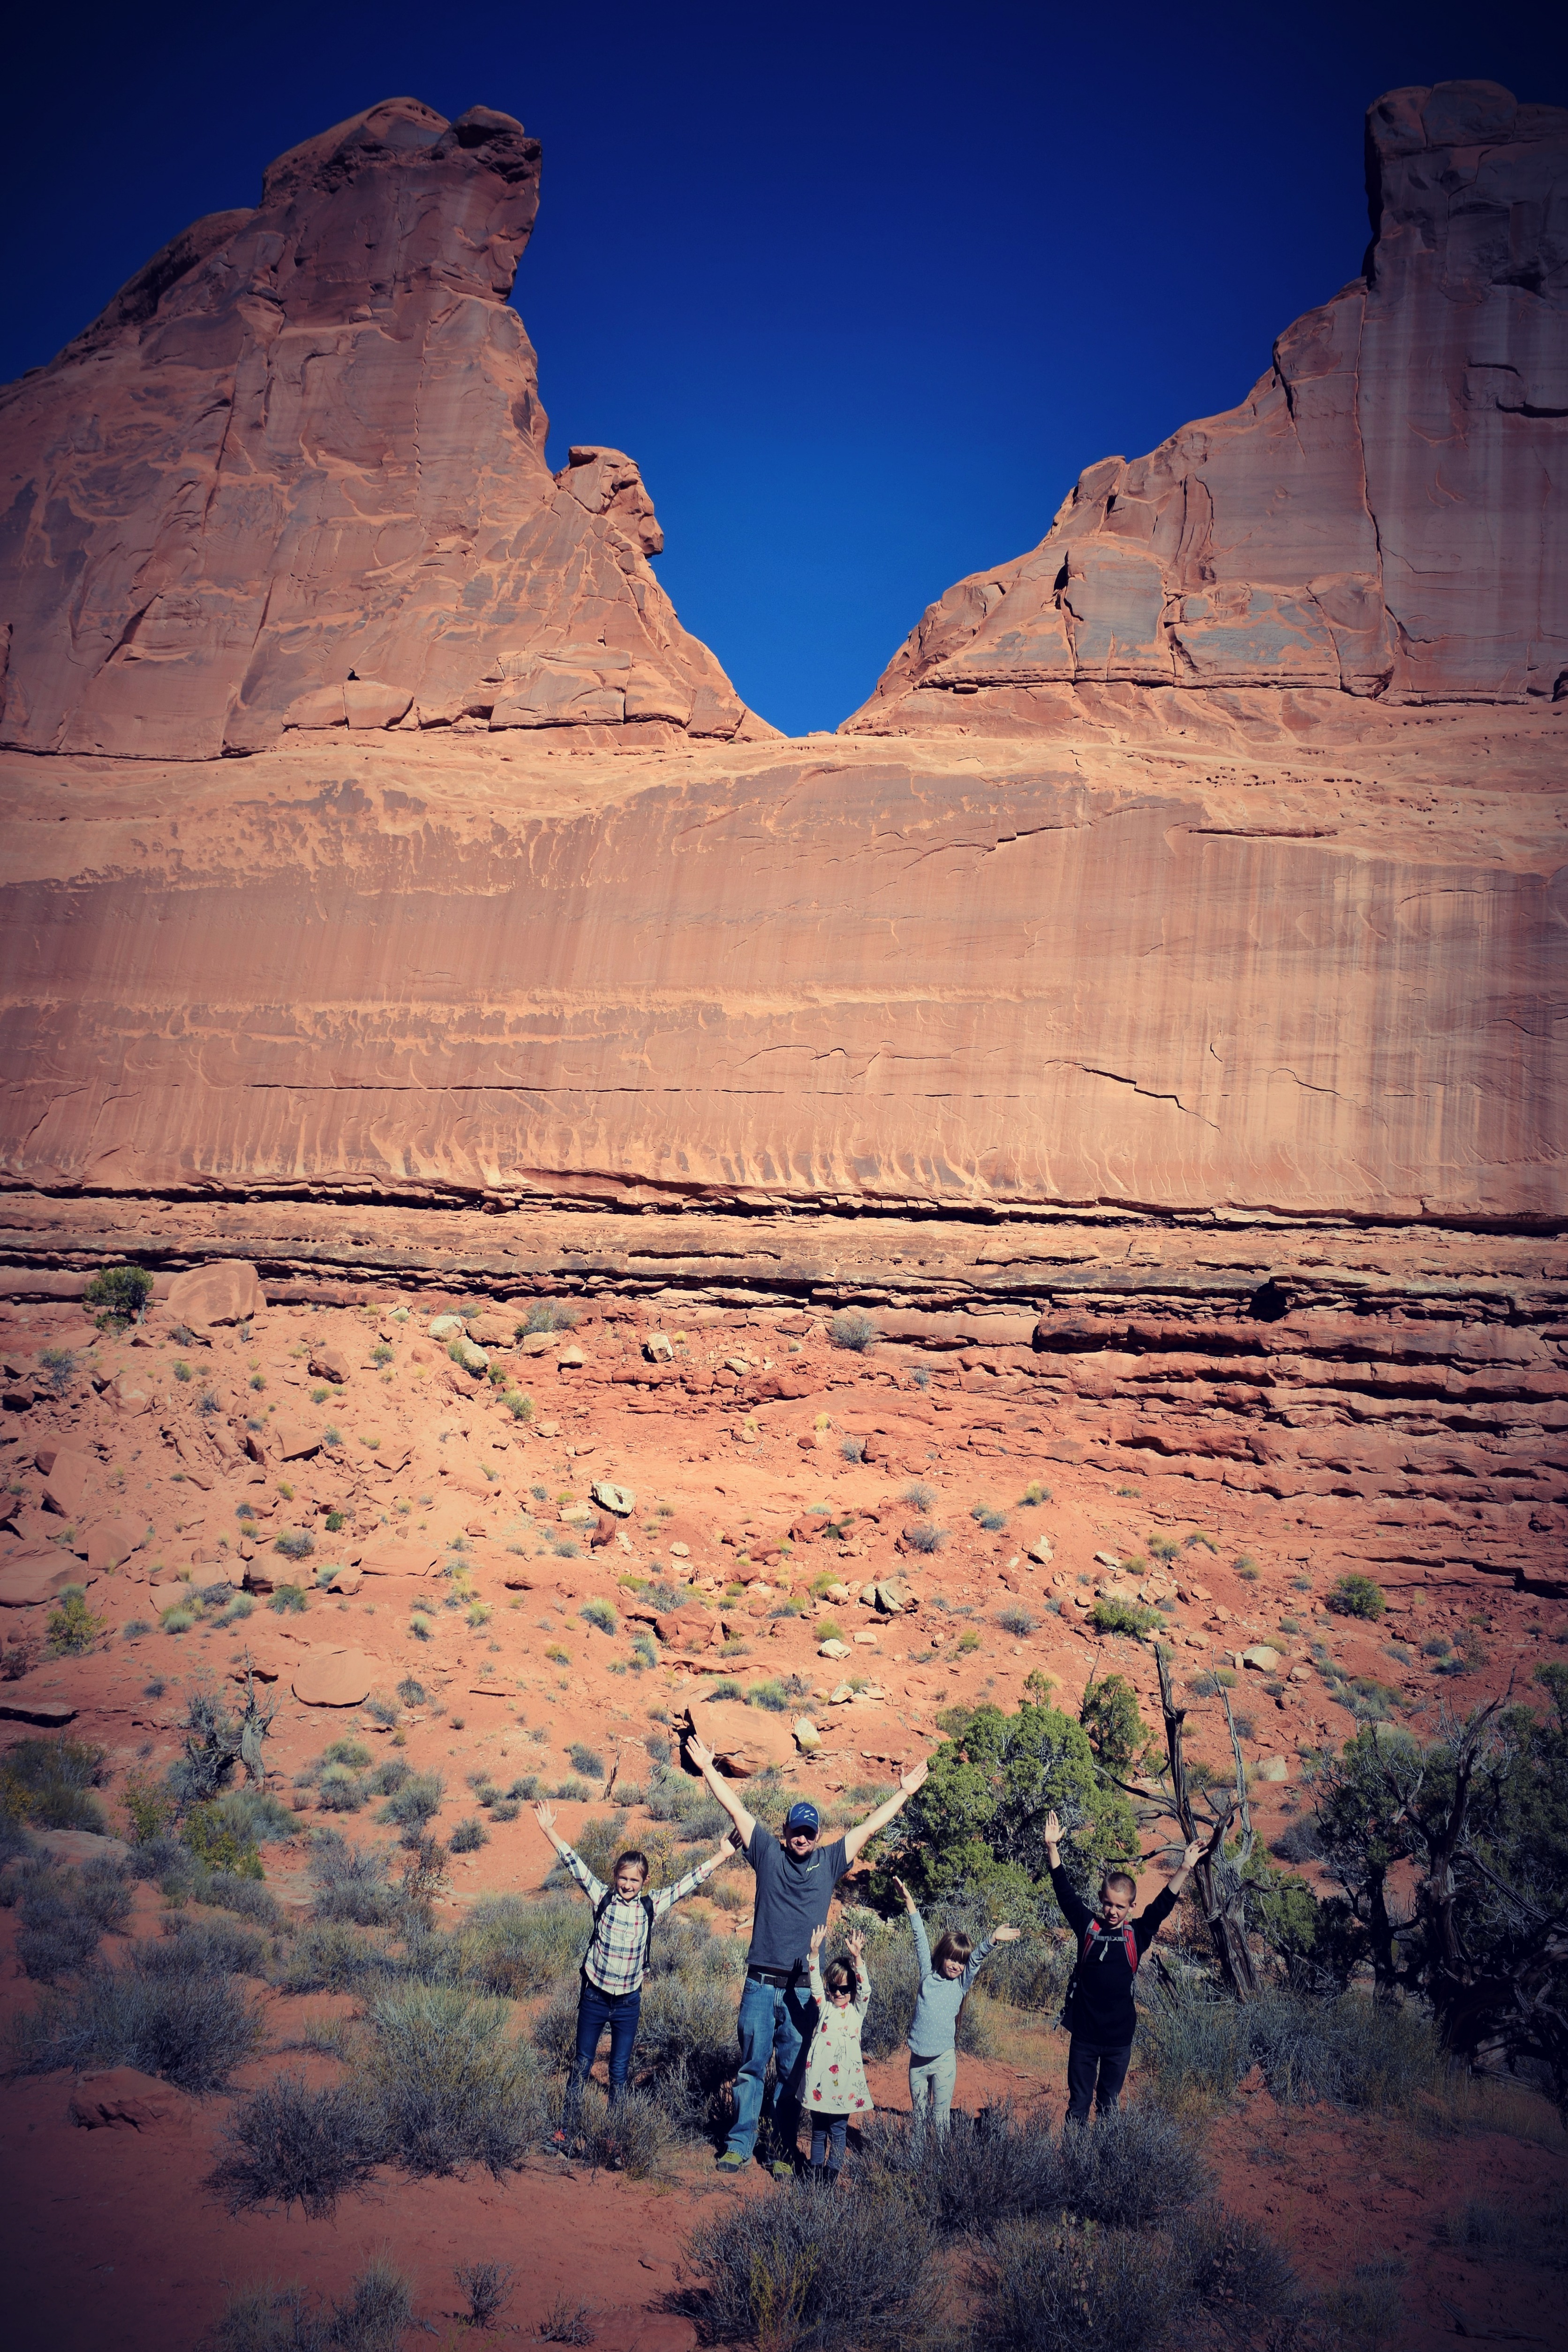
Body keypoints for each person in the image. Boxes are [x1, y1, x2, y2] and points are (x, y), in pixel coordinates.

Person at [686, 1733, 929, 2176]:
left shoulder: (832, 1861)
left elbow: (869, 1827)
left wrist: (903, 1794)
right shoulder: (766, 1853)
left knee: (794, 2075)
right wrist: (708, 1769)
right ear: (785, 1833)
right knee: (751, 2069)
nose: (802, 1838)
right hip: (761, 1984)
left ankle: (779, 2149)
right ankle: (740, 2144)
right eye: (796, 1832)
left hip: (803, 1991)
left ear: (817, 1835)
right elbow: (736, 1809)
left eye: (809, 1832)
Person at [531, 1799, 733, 2131]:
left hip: (627, 2003)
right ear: (615, 1877)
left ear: (645, 1882)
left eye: (634, 1881)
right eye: (623, 1879)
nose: (627, 1885)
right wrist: (550, 1830)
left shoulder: (651, 1907)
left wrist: (723, 1855)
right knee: (582, 2063)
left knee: (619, 2070)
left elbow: (689, 1882)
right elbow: (574, 1864)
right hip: (595, 1998)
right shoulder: (603, 1897)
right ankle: (564, 2129)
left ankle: (615, 2134)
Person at [1044, 1808, 1202, 2124]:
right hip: (1085, 2037)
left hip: (1119, 2040)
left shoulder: (1137, 1935)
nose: (1113, 1912)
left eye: (1120, 1906)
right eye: (1108, 1904)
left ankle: (1106, 2167)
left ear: (1131, 1906)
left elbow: (1161, 1906)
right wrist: (1052, 1848)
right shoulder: (1089, 1926)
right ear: (1101, 1900)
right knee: (1078, 2107)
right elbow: (1065, 1894)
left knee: (1108, 2107)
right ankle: (1076, 2167)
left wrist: (1185, 1868)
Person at [890, 1874, 1021, 2133]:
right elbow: (920, 1938)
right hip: (917, 2061)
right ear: (942, 1956)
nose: (956, 1965)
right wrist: (909, 1902)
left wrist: (992, 1939)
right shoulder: (927, 1975)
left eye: (960, 1962)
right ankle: (916, 2166)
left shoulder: (960, 1984)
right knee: (918, 2120)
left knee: (940, 2120)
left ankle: (939, 2170)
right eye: (952, 1959)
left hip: (944, 2061)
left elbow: (976, 1960)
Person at [802, 1921, 871, 2183]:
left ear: (852, 1990)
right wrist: (814, 1954)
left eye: (845, 1989)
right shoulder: (825, 2007)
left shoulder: (856, 2011)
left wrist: (857, 1958)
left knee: (838, 2131)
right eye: (834, 1988)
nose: (839, 1993)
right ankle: (815, 2173)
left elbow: (866, 1990)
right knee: (818, 2130)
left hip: (844, 2084)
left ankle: (832, 2175)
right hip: (820, 2080)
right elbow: (815, 1986)